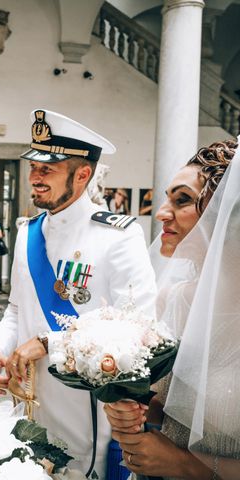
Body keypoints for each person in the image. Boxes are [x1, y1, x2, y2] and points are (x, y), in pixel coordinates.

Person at [0, 109, 157, 477]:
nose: (35, 177)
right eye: (34, 167)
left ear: (82, 175)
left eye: (48, 169)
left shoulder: (118, 237)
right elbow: (15, 309)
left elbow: (139, 330)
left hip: (84, 408)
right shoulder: (28, 232)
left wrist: (49, 343)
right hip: (27, 399)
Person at [104, 139, 239, 480]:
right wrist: (130, 408)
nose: (162, 212)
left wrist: (185, 465)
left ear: (229, 214)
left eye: (181, 200)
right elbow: (164, 406)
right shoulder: (172, 299)